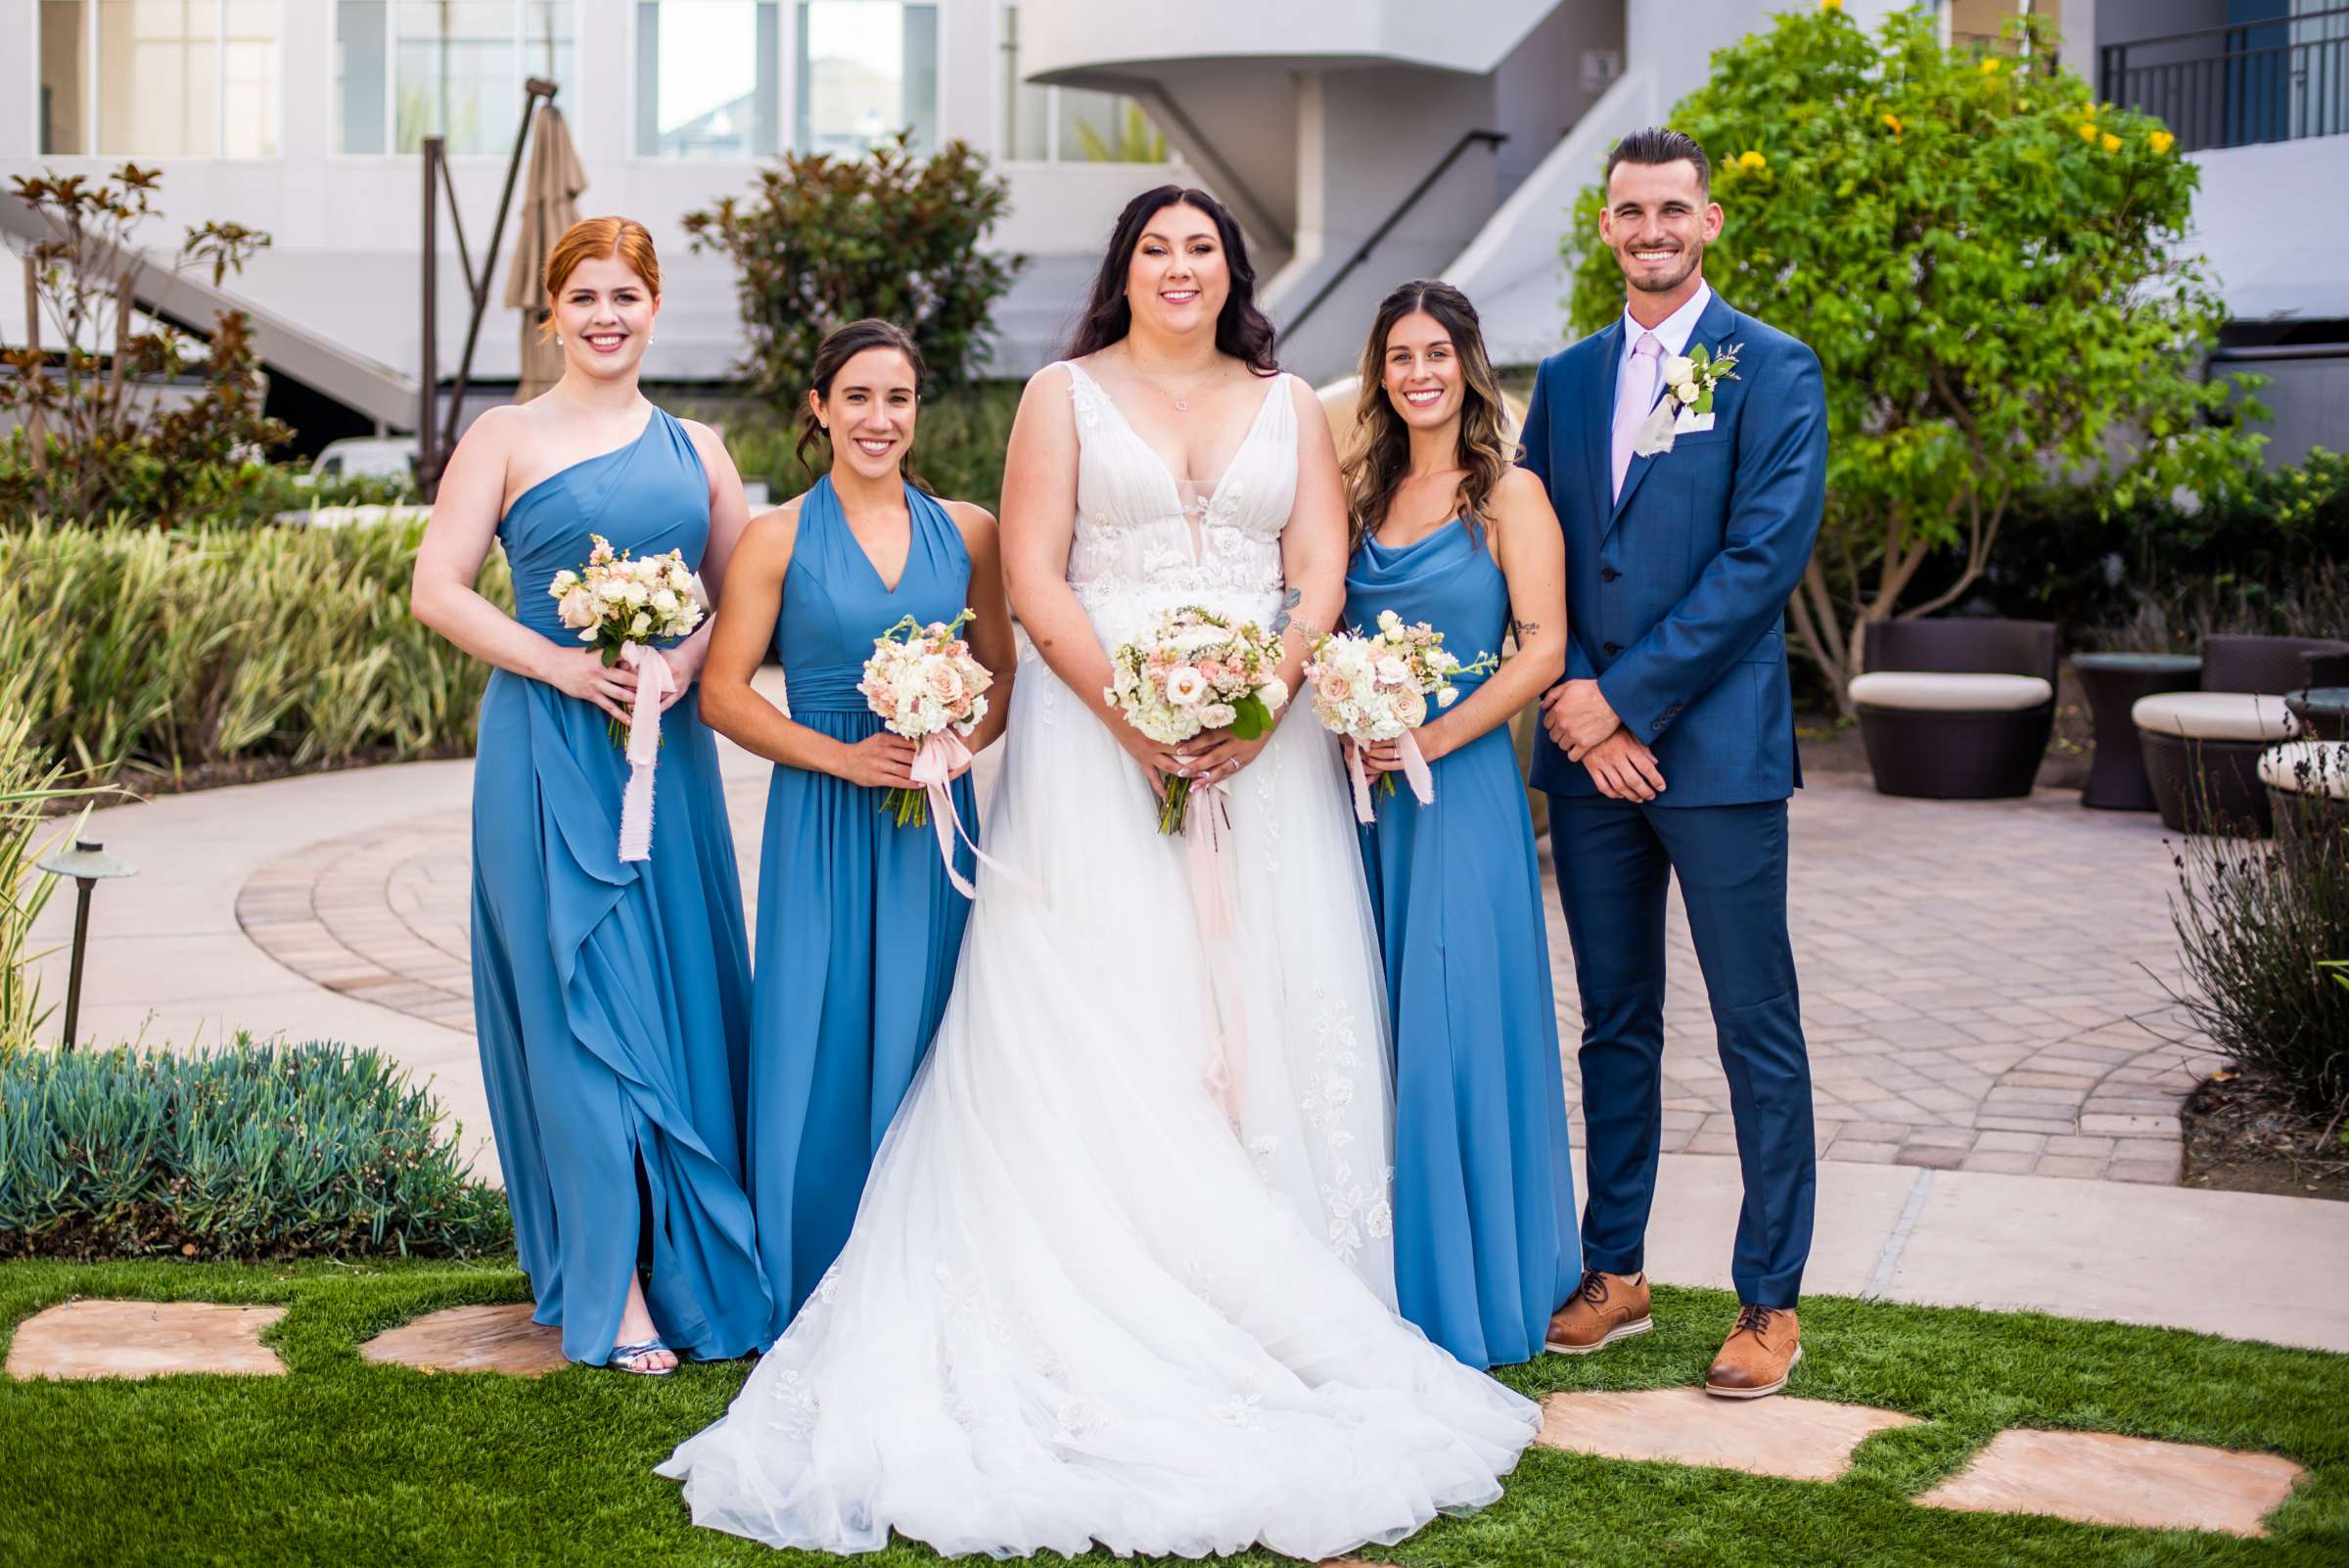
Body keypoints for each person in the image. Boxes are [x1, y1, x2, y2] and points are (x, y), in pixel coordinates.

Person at [657, 187, 1536, 1561]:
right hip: (1091, 741)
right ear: (1123, 269)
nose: (1178, 268)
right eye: (1154, 248)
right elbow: (1040, 586)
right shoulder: (1061, 395)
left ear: (1229, 269)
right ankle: (1106, 1279)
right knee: (1110, 1004)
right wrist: (1135, 718)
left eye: (1201, 248)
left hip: (1265, 754)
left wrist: (1259, 702)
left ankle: (1281, 1281)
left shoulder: (1289, 402)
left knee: (1265, 990)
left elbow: (1317, 569)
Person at [410, 216, 769, 1373]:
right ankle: (609, 1289)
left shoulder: (700, 449)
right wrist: (562, 662)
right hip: (541, 745)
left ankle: (689, 1259)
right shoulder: (503, 436)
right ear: (552, 314)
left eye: (626, 296)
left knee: (674, 1001)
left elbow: (742, 603)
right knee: (575, 1007)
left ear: (654, 308)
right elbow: (436, 590)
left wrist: (681, 657)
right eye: (584, 300)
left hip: (668, 760)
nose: (606, 317)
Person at [1518, 128, 1828, 1399]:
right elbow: (1532, 536)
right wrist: (1582, 701)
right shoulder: (1573, 375)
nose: (1652, 228)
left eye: (1673, 210)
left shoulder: (1774, 368)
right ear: (1606, 227)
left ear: (1708, 224)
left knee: (1758, 1027)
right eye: (1630, 210)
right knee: (1615, 1020)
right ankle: (1618, 1265)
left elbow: (1761, 561)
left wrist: (1625, 702)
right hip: (1593, 759)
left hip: (1717, 755)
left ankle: (1770, 1299)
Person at [696, 319, 1014, 1338]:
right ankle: (807, 1270)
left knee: (929, 1026)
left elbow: (1002, 671)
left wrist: (963, 742)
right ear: (819, 409)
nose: (880, 419)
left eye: (900, 399)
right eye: (860, 398)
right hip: (821, 814)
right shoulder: (775, 538)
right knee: (815, 1022)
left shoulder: (969, 531)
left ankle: (930, 1275)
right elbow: (721, 693)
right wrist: (840, 756)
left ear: (918, 413)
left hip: (934, 817)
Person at [1341, 280, 1579, 1368]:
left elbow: (1539, 650)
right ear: (1380, 372)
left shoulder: (1508, 496)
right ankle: (1381, 1268)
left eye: (1437, 353)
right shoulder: (1362, 492)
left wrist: (1429, 739)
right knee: (1377, 1018)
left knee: (1455, 1017)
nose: (1419, 373)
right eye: (1400, 356)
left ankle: (1477, 1279)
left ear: (1468, 363)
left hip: (1461, 786)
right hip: (1363, 795)